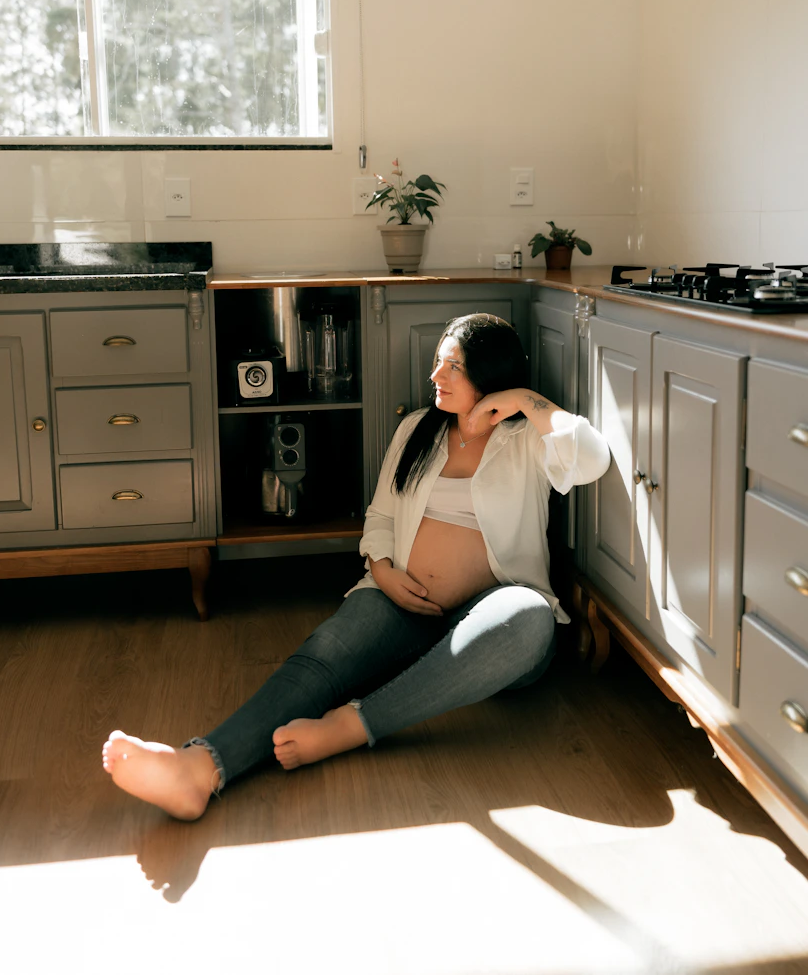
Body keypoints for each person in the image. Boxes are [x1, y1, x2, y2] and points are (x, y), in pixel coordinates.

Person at [102, 312, 610, 821]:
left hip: (490, 618)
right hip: (400, 603)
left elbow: (592, 458)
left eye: (452, 367)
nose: (436, 376)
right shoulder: (417, 429)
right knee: (319, 661)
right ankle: (197, 768)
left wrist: (523, 400)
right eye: (438, 363)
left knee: (530, 618)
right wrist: (382, 568)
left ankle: (351, 727)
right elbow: (382, 514)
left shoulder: (527, 439)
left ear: (492, 374)